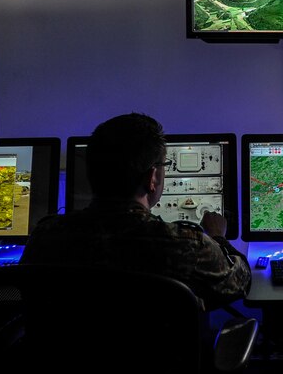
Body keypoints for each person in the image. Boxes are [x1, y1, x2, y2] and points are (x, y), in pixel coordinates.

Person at [21, 112, 251, 310]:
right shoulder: (185, 245)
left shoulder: (45, 237)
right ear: (153, 178)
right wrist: (218, 236)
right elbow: (240, 281)